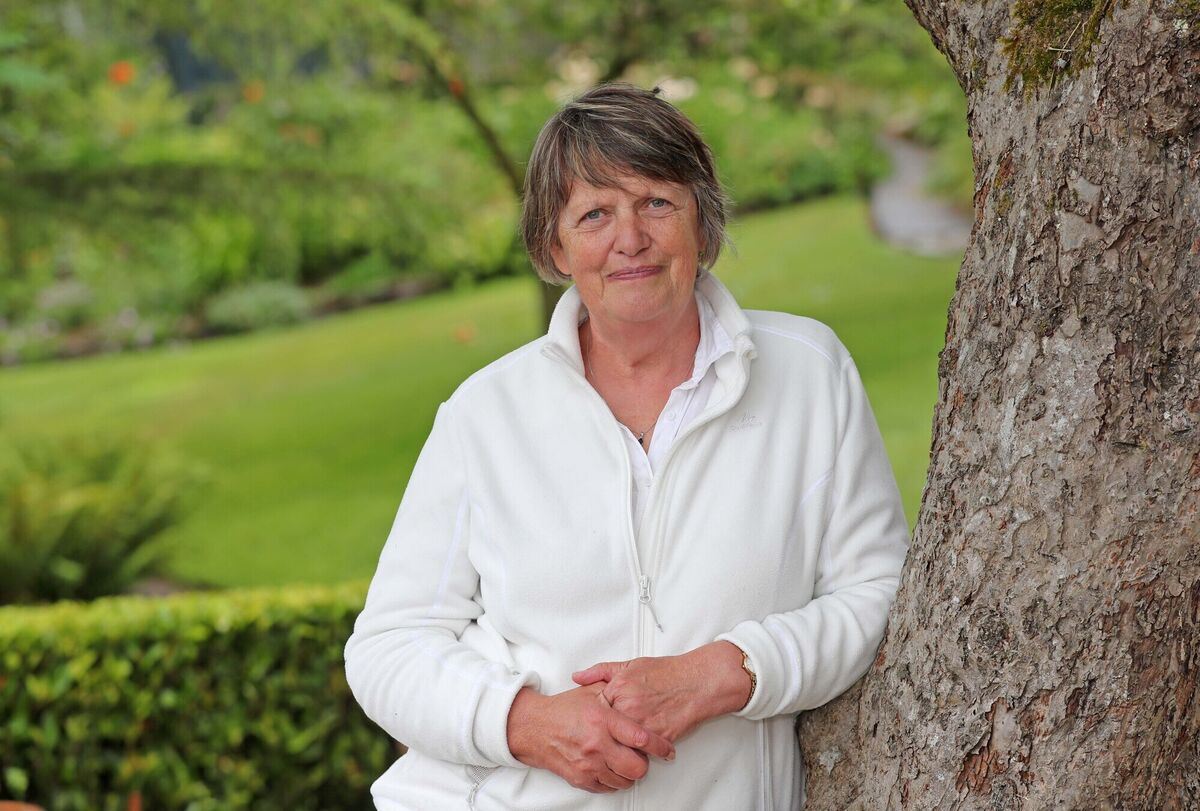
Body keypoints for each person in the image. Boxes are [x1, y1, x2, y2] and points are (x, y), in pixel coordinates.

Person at [344, 83, 909, 810]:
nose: (629, 239)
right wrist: (523, 721)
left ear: (702, 222)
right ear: (556, 246)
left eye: (656, 203)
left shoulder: (808, 372)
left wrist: (726, 671)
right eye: (595, 214)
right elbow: (388, 646)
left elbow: (876, 590)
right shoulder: (485, 415)